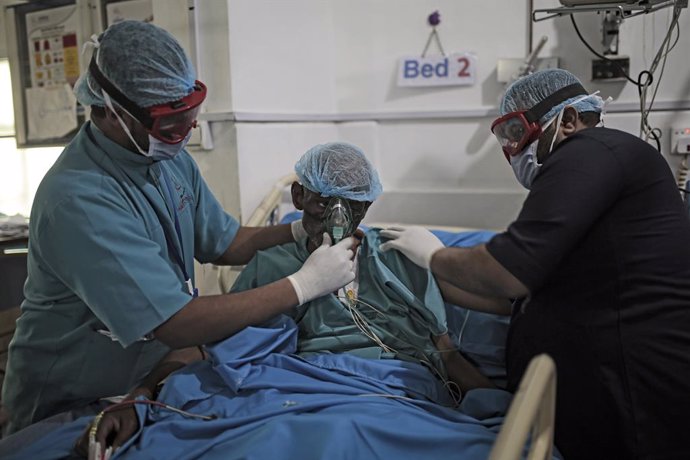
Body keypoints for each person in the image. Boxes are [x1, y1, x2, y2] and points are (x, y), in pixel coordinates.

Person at [1, 20, 356, 437]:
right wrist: (303, 285)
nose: (184, 137)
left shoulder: (168, 160)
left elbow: (226, 243)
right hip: (74, 394)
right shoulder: (79, 200)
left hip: (149, 381)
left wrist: (299, 231)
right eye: (171, 128)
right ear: (109, 112)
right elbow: (177, 323)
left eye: (191, 121)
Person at [73, 141, 509, 456]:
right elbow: (203, 344)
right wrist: (140, 396)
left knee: (346, 433)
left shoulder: (399, 257)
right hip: (295, 385)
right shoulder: (273, 264)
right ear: (299, 197)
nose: (338, 219)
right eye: (324, 203)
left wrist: (503, 409)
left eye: (352, 206)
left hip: (389, 390)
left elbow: (446, 353)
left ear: (369, 205)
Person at [379, 68, 690, 459]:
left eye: (516, 132)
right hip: (596, 377)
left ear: (570, 120)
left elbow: (508, 271)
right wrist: (423, 280)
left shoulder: (589, 151)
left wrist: (434, 254)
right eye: (504, 138)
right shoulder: (602, 166)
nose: (512, 149)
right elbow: (526, 294)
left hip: (631, 380)